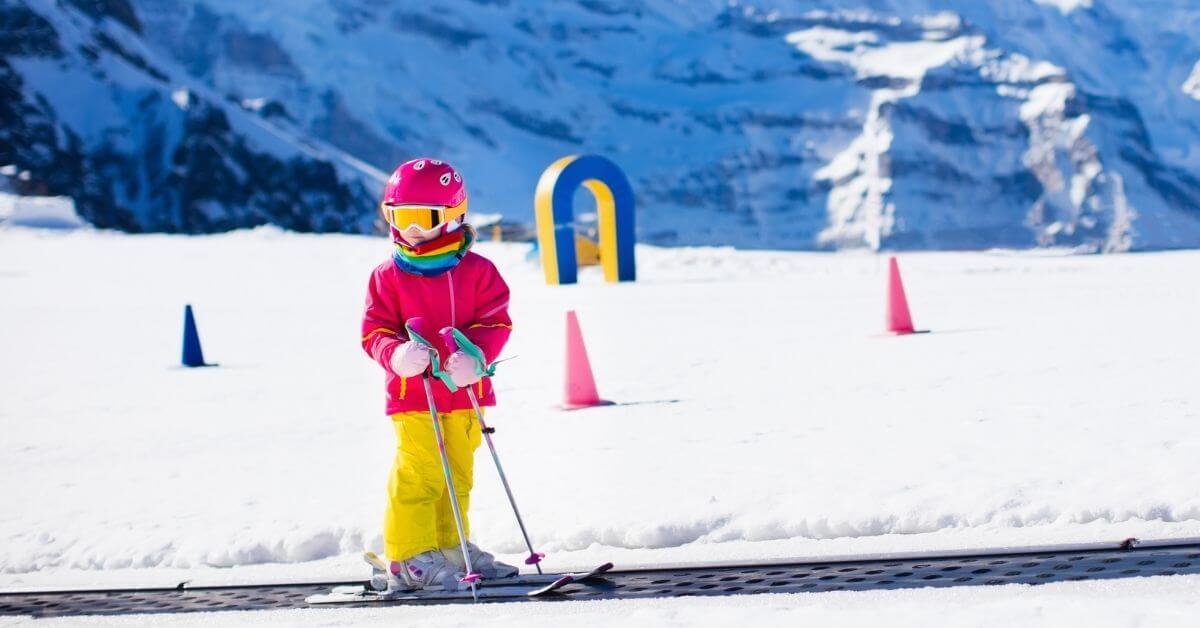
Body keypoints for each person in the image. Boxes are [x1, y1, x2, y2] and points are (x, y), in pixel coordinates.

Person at [360, 158, 516, 591]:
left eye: (422, 218)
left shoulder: (478, 271)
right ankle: (409, 556)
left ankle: (451, 548)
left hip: (465, 394)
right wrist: (395, 355)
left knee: (457, 474)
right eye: (399, 217)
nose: (410, 229)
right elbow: (374, 331)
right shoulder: (387, 277)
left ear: (453, 216)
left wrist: (476, 357)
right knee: (421, 471)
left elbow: (495, 322)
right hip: (414, 394)